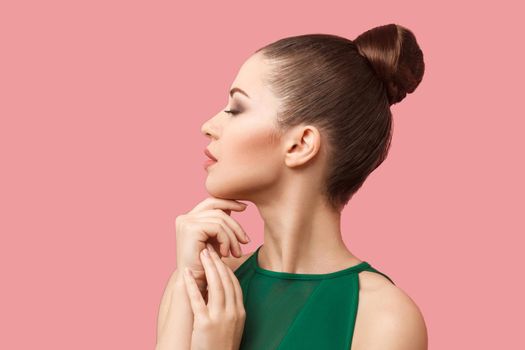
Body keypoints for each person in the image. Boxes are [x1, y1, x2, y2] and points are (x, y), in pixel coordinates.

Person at [156, 23, 428, 350]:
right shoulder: (198, 283)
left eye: (236, 108)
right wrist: (185, 286)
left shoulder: (384, 319)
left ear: (299, 145)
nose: (208, 126)